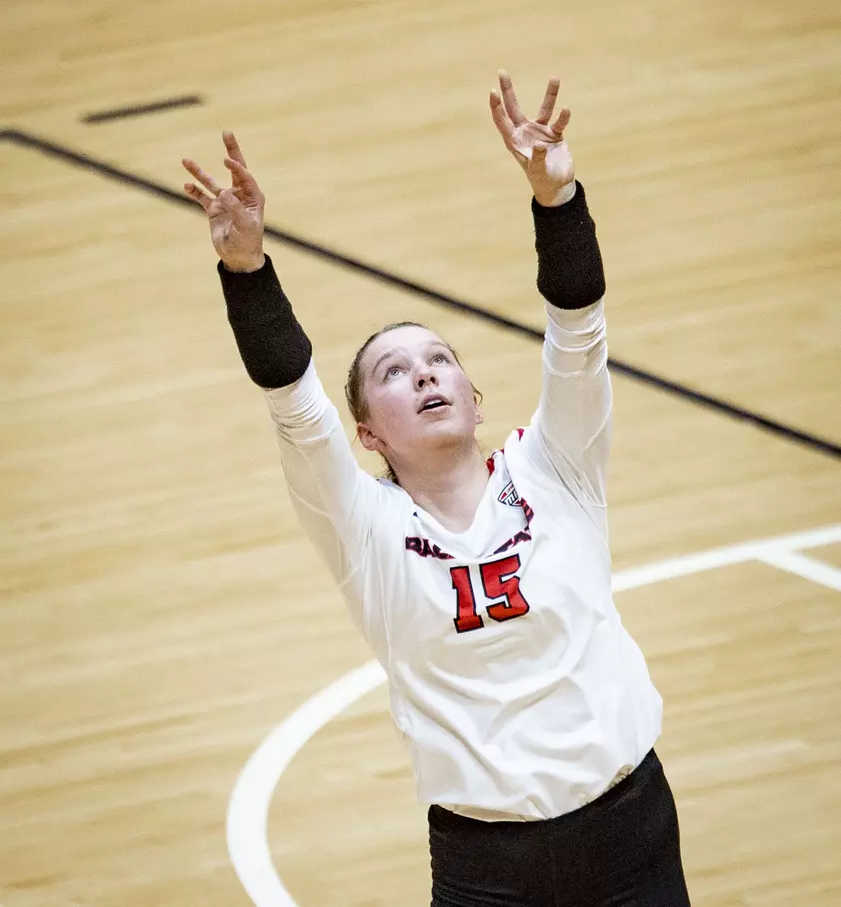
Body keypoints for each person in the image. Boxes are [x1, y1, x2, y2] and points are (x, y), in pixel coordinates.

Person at [182, 70, 691, 907]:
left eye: (439, 359)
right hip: (487, 871)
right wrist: (247, 269)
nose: (424, 374)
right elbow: (293, 403)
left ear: (473, 395)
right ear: (369, 434)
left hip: (631, 833)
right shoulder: (362, 529)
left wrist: (556, 198)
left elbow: (577, 328)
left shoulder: (555, 467)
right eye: (393, 371)